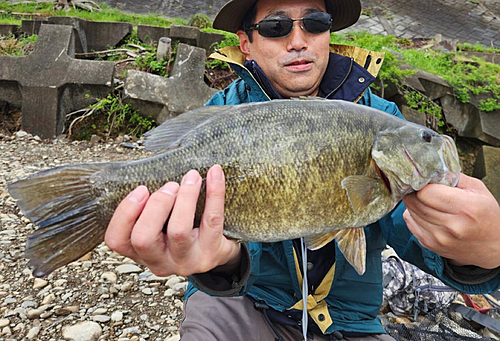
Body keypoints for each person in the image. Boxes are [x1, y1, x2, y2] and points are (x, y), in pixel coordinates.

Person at [104, 0, 500, 340]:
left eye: (315, 23)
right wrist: (224, 262)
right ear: (247, 43)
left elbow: (416, 233)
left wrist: (480, 253)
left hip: (350, 321)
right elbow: (219, 247)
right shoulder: (221, 117)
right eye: (275, 26)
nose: (298, 40)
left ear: (329, 33)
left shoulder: (383, 122)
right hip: (243, 302)